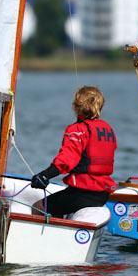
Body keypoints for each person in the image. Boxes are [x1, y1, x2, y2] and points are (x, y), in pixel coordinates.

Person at [30, 86, 117, 217]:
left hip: (82, 193)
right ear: (100, 106)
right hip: (103, 194)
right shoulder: (107, 129)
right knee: (60, 202)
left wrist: (44, 176)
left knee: (38, 207)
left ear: (76, 106)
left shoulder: (77, 129)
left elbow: (66, 159)